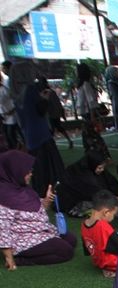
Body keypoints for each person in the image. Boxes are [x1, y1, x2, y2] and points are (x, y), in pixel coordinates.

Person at [0, 150, 76, 269]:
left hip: (40, 231)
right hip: (22, 239)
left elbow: (33, 209)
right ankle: (21, 260)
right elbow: (2, 230)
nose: (31, 174)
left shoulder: (22, 188)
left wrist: (46, 200)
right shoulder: (4, 197)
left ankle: (47, 244)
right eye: (27, 172)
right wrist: (9, 257)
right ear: (14, 171)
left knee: (71, 240)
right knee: (65, 251)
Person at [9, 61, 65, 196]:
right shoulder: (30, 89)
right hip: (41, 134)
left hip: (29, 136)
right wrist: (45, 98)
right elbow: (39, 111)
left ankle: (42, 193)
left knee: (39, 170)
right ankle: (55, 192)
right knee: (53, 168)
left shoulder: (15, 92)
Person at [57, 149, 118, 214]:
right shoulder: (82, 174)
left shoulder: (93, 166)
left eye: (103, 167)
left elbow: (110, 179)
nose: (102, 170)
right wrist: (117, 199)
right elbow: (94, 192)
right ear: (93, 165)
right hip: (72, 200)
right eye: (100, 168)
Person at [81, 190, 118, 277]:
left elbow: (87, 249)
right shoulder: (103, 226)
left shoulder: (84, 224)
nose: (113, 218)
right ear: (106, 212)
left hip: (98, 262)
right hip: (113, 263)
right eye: (114, 214)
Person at [76, 63, 111, 160]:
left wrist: (92, 117)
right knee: (89, 137)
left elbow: (91, 101)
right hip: (86, 115)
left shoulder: (86, 85)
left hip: (89, 115)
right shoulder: (83, 85)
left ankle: (104, 156)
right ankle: (94, 157)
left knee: (93, 137)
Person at [39, 77, 72, 149]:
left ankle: (54, 145)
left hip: (51, 114)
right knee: (58, 128)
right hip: (53, 113)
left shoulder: (46, 93)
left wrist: (61, 112)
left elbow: (55, 103)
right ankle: (68, 140)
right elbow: (57, 103)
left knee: (52, 130)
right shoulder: (48, 92)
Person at [0, 69, 21, 150]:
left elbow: (14, 99)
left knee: (11, 135)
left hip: (12, 115)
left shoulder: (4, 89)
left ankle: (18, 150)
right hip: (4, 117)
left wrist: (12, 111)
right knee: (8, 137)